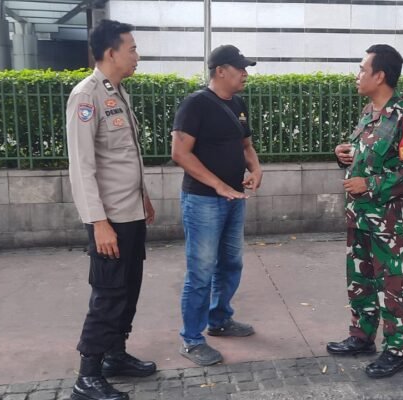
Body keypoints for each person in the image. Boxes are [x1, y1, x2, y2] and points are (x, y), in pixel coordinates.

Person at [66, 19, 157, 400]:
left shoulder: (118, 92)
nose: (137, 56)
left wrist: (143, 195)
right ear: (110, 53)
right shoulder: (86, 96)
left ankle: (115, 355)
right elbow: (82, 167)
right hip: (110, 219)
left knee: (129, 288)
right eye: (132, 49)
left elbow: (123, 157)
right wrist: (98, 222)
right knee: (108, 294)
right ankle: (87, 376)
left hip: (130, 212)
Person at [327, 44, 403, 379]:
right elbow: (368, 154)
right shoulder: (369, 112)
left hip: (389, 223)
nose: (357, 75)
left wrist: (368, 185)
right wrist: (345, 153)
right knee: (361, 280)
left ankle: (397, 351)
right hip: (359, 217)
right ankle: (362, 336)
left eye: (362, 69)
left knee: (395, 285)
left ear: (380, 75)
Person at [170, 45, 263, 366]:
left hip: (234, 199)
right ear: (220, 71)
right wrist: (219, 185)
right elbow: (180, 153)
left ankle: (220, 319)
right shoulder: (195, 104)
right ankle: (191, 339)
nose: (245, 74)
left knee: (231, 263)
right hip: (203, 201)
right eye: (240, 69)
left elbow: (246, 145)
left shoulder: (237, 103)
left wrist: (256, 169)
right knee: (201, 271)